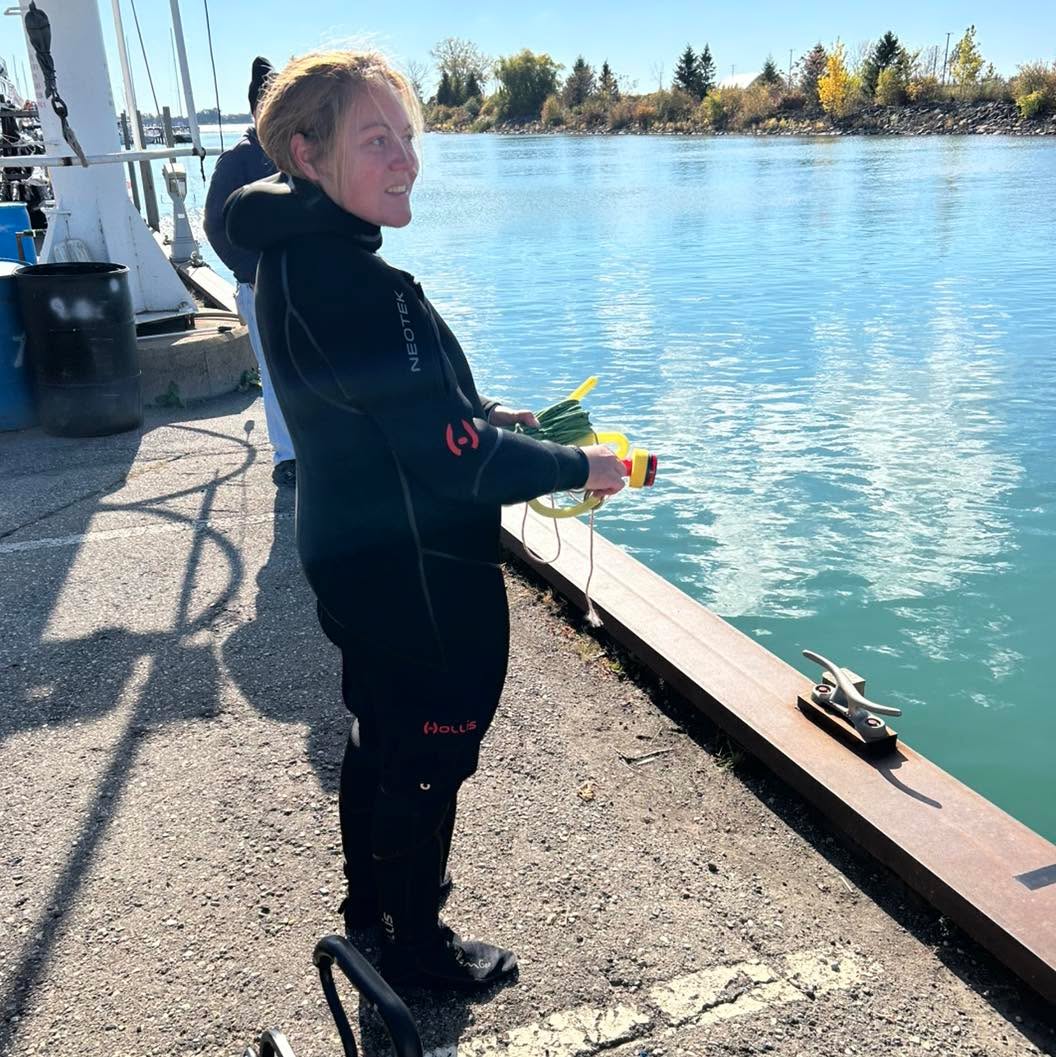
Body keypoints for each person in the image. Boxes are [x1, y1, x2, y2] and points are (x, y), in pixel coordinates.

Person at [224, 50, 627, 991]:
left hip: (353, 547)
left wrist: (490, 415)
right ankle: (413, 950)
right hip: (413, 572)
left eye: (407, 137)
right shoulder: (354, 285)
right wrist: (583, 463)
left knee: (380, 736)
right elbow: (453, 458)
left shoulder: (296, 256)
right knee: (428, 760)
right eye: (377, 139)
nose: (407, 159)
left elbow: (401, 414)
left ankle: (372, 917)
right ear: (306, 153)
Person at [204, 56, 296, 488]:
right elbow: (214, 226)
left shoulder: (295, 152)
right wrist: (253, 271)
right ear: (257, 109)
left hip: (302, 283)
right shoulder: (238, 159)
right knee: (276, 372)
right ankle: (287, 457)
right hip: (261, 286)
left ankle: (319, 447)